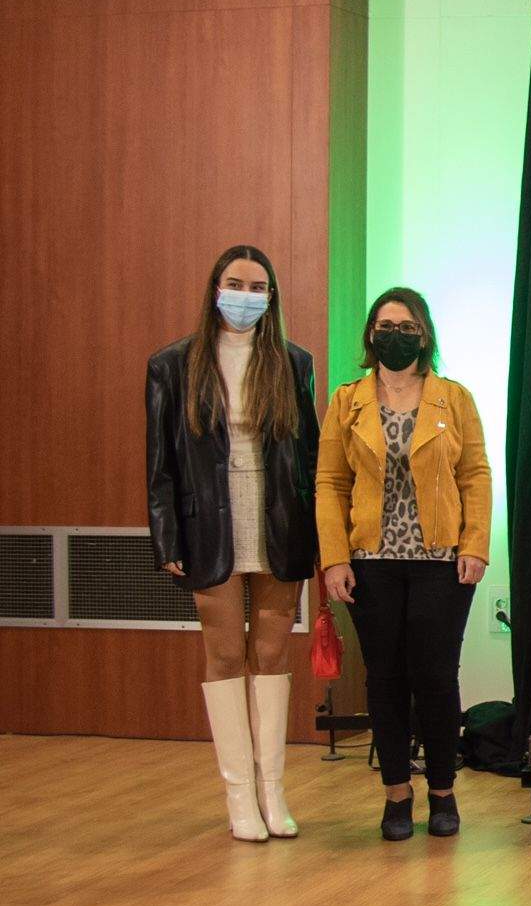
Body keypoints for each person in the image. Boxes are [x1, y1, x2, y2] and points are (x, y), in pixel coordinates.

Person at [145, 244, 320, 842]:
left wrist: (320, 530)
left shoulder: (294, 362)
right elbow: (161, 463)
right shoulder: (172, 364)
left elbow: (311, 457)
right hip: (208, 524)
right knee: (224, 653)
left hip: (277, 520)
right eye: (234, 283)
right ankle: (239, 798)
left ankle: (273, 792)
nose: (244, 296)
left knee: (270, 653)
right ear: (213, 288)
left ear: (271, 296)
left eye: (256, 286)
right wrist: (166, 533)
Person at [315, 287, 491, 841]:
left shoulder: (453, 398)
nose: (396, 334)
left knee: (436, 677)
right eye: (386, 325)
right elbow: (329, 483)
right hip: (370, 562)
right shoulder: (347, 401)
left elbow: (476, 475)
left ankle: (443, 792)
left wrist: (476, 545)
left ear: (425, 335)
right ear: (371, 334)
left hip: (441, 561)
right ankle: (396, 795)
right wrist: (333, 558)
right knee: (385, 678)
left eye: (407, 326)